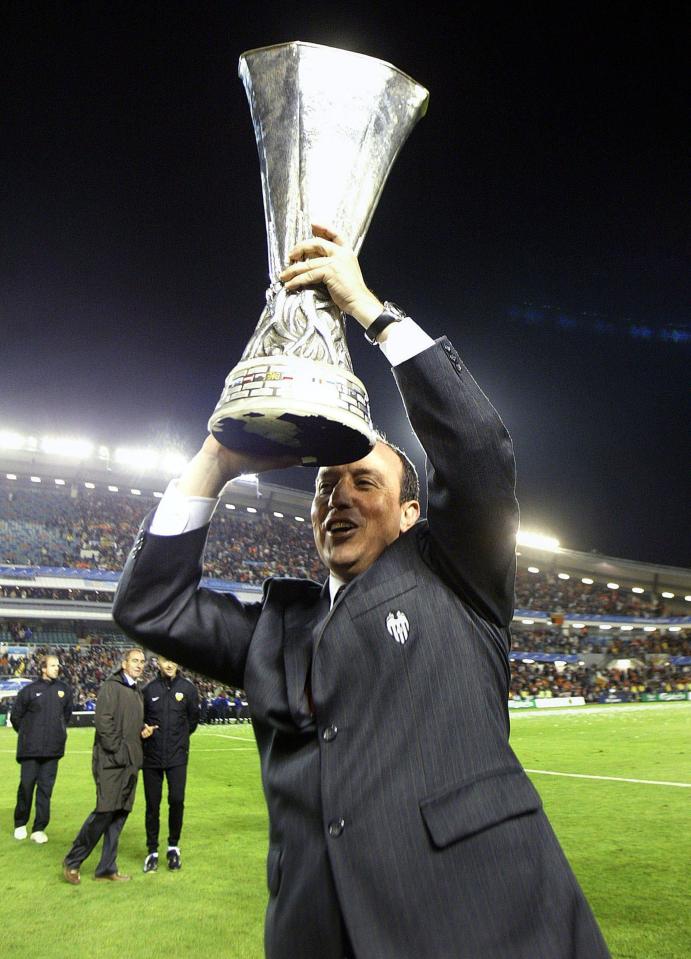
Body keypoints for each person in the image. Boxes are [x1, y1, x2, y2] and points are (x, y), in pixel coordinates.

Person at [113, 225, 610, 958]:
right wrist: (216, 460)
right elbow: (148, 607)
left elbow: (476, 449)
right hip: (317, 931)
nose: (336, 498)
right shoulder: (275, 628)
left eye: (363, 481)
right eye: (324, 486)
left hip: (482, 921)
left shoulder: (456, 577)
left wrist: (368, 309)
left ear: (412, 511)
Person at [62, 648, 156, 884]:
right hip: (111, 761)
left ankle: (106, 868)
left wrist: (142, 731)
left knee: (119, 814)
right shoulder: (111, 686)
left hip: (131, 761)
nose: (139, 665)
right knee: (104, 812)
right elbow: (103, 722)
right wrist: (119, 751)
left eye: (142, 662)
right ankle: (73, 861)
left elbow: (128, 724)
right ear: (124, 664)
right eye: (135, 661)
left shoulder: (136, 691)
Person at [141, 655, 199, 872]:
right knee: (152, 806)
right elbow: (141, 719)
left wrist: (180, 740)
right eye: (165, 659)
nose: (169, 663)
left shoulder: (188, 689)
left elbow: (193, 720)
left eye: (173, 659)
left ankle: (173, 847)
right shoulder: (149, 689)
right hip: (152, 758)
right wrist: (144, 730)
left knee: (176, 801)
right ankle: (152, 851)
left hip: (177, 757)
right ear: (158, 661)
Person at [11, 654, 73, 843]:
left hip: (52, 751)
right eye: (53, 665)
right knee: (27, 786)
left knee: (45, 790)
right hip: (30, 750)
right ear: (43, 668)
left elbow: (66, 715)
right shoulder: (29, 691)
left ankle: (39, 828)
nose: (57, 668)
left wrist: (58, 734)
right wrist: (28, 735)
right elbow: (16, 717)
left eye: (58, 665)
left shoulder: (64, 690)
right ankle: (20, 823)